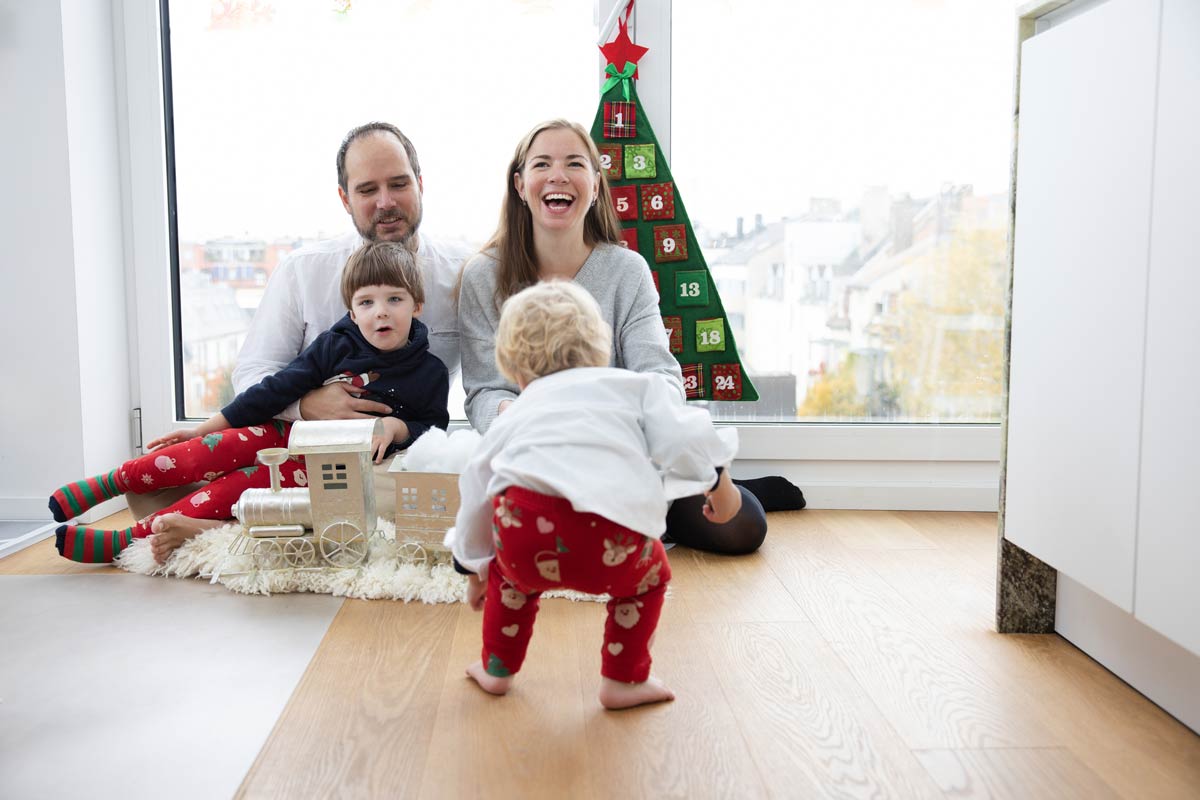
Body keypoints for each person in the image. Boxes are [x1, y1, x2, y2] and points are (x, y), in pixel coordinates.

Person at [125, 121, 471, 521]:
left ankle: (228, 517)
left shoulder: (462, 273)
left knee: (425, 487)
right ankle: (222, 512)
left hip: (389, 457)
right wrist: (306, 406)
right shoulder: (302, 270)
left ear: (420, 184)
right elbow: (253, 373)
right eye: (366, 190)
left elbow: (470, 394)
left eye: (398, 184)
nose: (385, 202)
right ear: (345, 199)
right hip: (303, 444)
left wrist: (403, 430)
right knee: (163, 477)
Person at [457, 119, 768, 555]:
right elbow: (483, 392)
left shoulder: (627, 271)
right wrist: (523, 417)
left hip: (624, 456)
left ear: (596, 185)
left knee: (744, 527)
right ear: (520, 185)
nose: (558, 175)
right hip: (532, 459)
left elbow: (661, 376)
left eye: (574, 163)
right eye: (542, 164)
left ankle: (710, 489)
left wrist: (621, 421)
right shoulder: (482, 275)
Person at [51, 242, 448, 564]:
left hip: (320, 468)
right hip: (287, 432)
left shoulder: (429, 372)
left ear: (416, 305)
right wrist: (205, 428)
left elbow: (433, 429)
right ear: (352, 311)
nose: (381, 312)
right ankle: (109, 482)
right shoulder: (335, 344)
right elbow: (275, 389)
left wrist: (398, 428)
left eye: (394, 299)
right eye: (366, 302)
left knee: (236, 490)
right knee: (202, 452)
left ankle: (126, 541)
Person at [447, 281, 742, 709]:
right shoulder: (634, 388)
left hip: (525, 534)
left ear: (515, 371)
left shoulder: (516, 412)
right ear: (599, 346)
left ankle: (496, 668)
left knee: (510, 581)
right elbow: (685, 437)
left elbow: (477, 484)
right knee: (649, 580)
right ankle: (624, 680)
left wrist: (474, 566)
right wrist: (720, 485)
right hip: (610, 537)